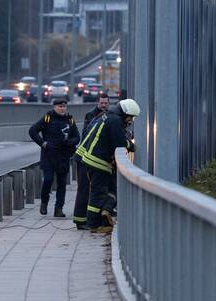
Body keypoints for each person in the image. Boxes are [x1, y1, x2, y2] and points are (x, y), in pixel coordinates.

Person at [77, 98, 140, 234]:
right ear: (125, 113)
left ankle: (106, 211)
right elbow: (120, 142)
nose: (131, 121)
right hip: (97, 161)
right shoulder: (115, 121)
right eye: (130, 117)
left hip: (95, 159)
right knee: (97, 193)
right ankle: (94, 224)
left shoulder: (109, 116)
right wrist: (132, 146)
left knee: (110, 188)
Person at [28, 97, 79, 217]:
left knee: (62, 184)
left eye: (64, 106)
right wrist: (43, 143)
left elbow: (77, 137)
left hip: (63, 156)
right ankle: (44, 202)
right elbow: (32, 131)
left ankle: (59, 209)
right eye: (59, 107)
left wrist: (70, 142)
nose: (62, 109)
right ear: (54, 107)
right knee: (48, 180)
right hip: (49, 155)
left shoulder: (70, 120)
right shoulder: (47, 118)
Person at [72, 93, 111, 230]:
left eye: (106, 103)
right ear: (97, 102)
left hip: (91, 158)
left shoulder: (108, 116)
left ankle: (90, 219)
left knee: (93, 190)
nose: (104, 105)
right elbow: (88, 133)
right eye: (102, 103)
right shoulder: (92, 116)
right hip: (84, 157)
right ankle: (80, 220)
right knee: (84, 189)